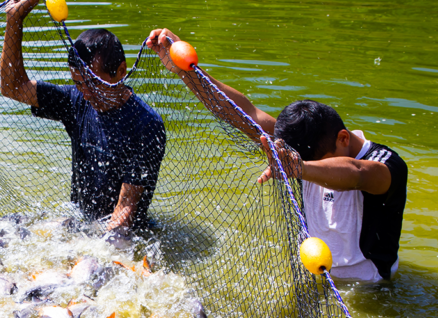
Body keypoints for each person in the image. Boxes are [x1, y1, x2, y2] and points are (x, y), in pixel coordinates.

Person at [147, 28, 407, 282]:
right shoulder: (300, 142)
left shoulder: (386, 165)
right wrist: (187, 71)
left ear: (344, 138)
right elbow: (243, 112)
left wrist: (300, 168)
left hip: (370, 290)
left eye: (318, 162)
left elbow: (357, 175)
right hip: (312, 275)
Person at [0, 0, 166, 232]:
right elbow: (12, 87)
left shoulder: (145, 125)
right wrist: (14, 20)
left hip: (122, 235)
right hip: (80, 225)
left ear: (120, 72)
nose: (85, 93)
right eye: (78, 83)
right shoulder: (74, 100)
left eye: (93, 83)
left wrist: (84, 256)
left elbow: (125, 212)